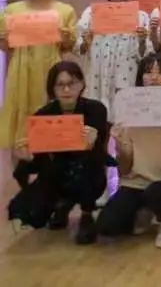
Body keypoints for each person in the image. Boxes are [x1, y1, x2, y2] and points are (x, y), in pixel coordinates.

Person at [96, 54, 161, 248]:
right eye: (148, 72)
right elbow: (124, 168)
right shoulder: (129, 111)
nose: (154, 77)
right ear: (140, 78)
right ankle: (144, 212)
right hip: (135, 182)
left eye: (160, 73)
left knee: (158, 193)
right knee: (106, 225)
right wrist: (121, 146)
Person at [8, 61, 108, 245]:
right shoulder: (42, 115)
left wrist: (93, 142)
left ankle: (87, 214)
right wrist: (27, 158)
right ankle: (61, 205)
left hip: (88, 172)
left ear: (81, 84)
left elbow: (101, 150)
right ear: (52, 89)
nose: (66, 89)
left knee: (87, 164)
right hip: (56, 175)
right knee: (24, 211)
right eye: (60, 85)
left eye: (72, 83)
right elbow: (37, 162)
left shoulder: (96, 109)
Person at [0, 0, 77, 147]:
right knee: (20, 133)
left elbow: (69, 47)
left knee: (51, 121)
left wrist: (63, 36)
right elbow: (6, 47)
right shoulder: (11, 10)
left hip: (52, 70)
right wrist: (4, 39)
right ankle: (21, 165)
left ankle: (51, 164)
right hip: (21, 72)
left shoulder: (65, 11)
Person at [76, 0, 151, 116]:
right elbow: (80, 49)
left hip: (126, 78)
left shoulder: (141, 16)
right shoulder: (92, 13)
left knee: (124, 120)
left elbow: (144, 56)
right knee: (97, 120)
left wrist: (142, 41)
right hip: (98, 78)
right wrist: (85, 42)